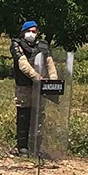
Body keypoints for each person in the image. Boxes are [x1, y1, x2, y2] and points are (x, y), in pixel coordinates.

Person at [10, 20, 56, 157]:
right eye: (29, 31)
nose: (31, 34)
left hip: (41, 87)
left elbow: (49, 63)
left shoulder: (43, 46)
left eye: (34, 31)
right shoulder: (17, 44)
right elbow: (23, 64)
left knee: (39, 115)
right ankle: (22, 146)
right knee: (24, 115)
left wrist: (53, 80)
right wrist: (37, 78)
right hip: (25, 85)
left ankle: (36, 146)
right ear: (24, 32)